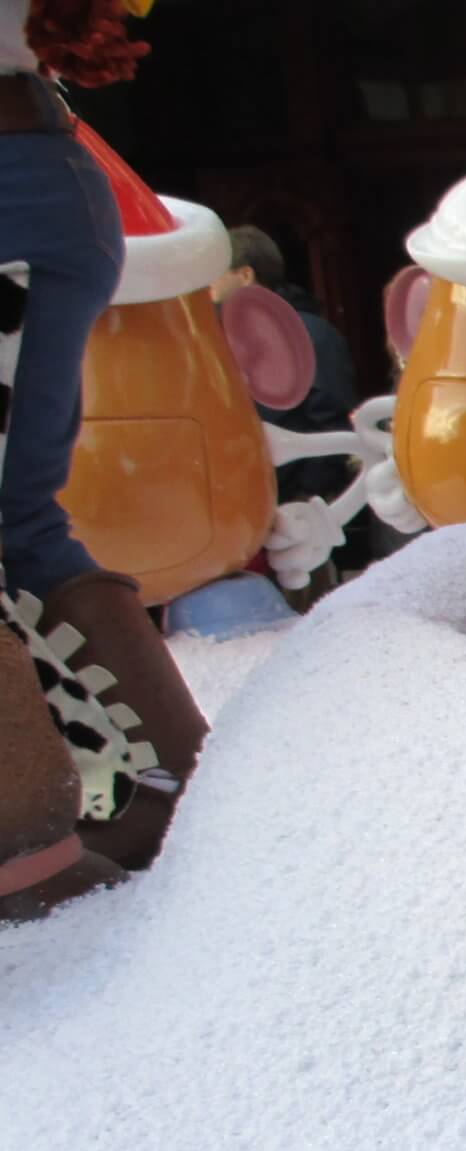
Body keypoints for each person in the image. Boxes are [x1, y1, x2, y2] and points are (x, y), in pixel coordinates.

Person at [2, 0, 207, 920]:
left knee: (16, 523)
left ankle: (37, 848)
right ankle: (161, 793)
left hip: (18, 188)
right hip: (33, 177)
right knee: (20, 524)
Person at [213, 224, 359, 508]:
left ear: (245, 275)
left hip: (299, 509)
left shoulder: (308, 334)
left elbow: (332, 422)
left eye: (216, 273)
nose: (208, 284)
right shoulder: (221, 337)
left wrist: (308, 495)